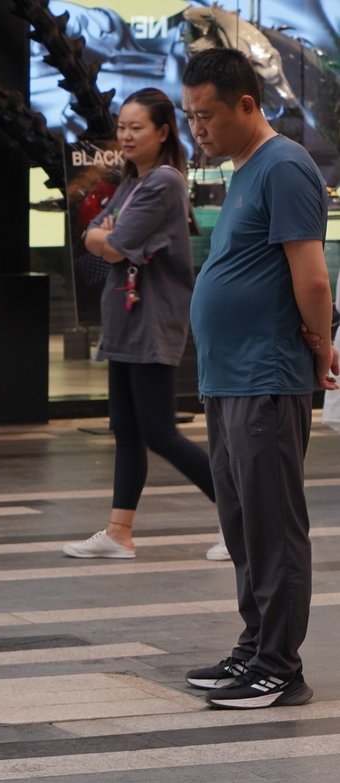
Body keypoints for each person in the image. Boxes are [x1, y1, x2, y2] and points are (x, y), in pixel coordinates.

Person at [178, 48, 335, 709]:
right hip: (228, 378)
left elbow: (312, 276)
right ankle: (254, 644)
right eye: (189, 116)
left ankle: (280, 666)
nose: (197, 129)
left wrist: (321, 348)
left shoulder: (285, 167)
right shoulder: (244, 169)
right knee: (242, 524)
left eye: (206, 115)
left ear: (247, 104)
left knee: (273, 526)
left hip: (265, 375)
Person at [62, 88, 227, 562]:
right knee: (126, 428)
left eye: (137, 128)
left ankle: (243, 518)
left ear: (163, 132)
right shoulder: (133, 181)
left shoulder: (164, 182)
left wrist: (105, 237)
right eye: (122, 127)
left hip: (153, 319)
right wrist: (104, 236)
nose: (126, 136)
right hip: (125, 318)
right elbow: (94, 233)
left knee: (158, 431)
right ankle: (119, 533)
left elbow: (114, 246)